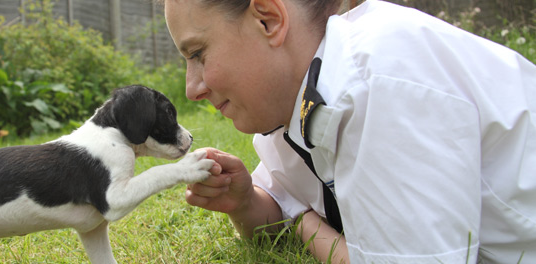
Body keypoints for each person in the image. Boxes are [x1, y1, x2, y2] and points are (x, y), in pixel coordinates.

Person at [164, 0, 536, 263]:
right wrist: (245, 202)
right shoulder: (288, 111)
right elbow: (277, 204)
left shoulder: (375, 75)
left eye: (198, 54)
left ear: (268, 20)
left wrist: (305, 222)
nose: (192, 88)